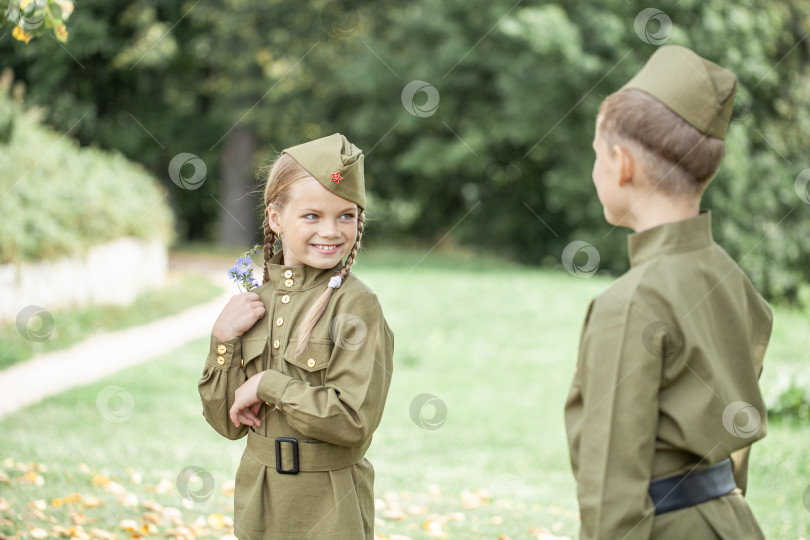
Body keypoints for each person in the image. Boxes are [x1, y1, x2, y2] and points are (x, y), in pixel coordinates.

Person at [564, 45, 772, 539]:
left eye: (596, 155)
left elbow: (612, 495)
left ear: (621, 164)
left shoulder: (629, 304)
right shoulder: (733, 281)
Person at [198, 133, 394, 540]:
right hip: (258, 504)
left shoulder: (356, 305)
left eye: (346, 215)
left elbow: (353, 421)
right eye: (312, 216)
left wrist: (269, 385)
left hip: (330, 508)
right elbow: (226, 424)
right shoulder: (253, 303)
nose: (332, 230)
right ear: (275, 218)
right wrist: (222, 340)